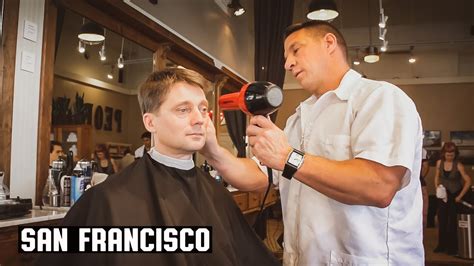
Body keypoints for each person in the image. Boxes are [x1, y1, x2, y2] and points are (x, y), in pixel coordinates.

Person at [201, 20, 424, 265]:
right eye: (286, 57)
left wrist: (287, 157)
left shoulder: (379, 99)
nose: (287, 64)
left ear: (329, 43)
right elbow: (260, 175)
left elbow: (379, 186)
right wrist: (211, 149)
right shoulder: (298, 118)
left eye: (296, 50)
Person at [36, 68, 278, 266]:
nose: (199, 119)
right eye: (183, 110)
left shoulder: (216, 195)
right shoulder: (108, 198)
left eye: (203, 109)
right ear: (150, 122)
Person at [434, 141, 471, 255]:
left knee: (452, 222)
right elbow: (436, 177)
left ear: (455, 154)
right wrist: (437, 188)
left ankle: (452, 247)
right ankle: (441, 245)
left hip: (455, 195)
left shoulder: (458, 165)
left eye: (452, 154)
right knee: (442, 220)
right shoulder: (439, 163)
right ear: (444, 154)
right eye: (448, 154)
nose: (450, 156)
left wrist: (460, 196)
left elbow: (468, 181)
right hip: (444, 195)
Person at [421, 148, 430, 228]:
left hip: (419, 182)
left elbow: (426, 167)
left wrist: (419, 178)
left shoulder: (422, 150)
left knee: (423, 213)